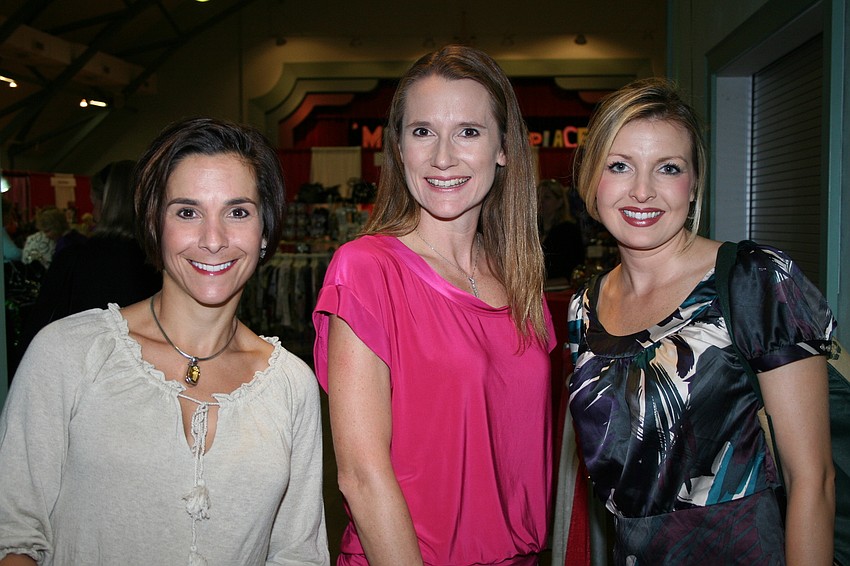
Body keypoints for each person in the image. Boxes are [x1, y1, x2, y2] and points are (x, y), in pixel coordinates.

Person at [0, 117, 330, 565]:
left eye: (238, 212)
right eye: (187, 212)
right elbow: (12, 533)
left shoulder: (292, 386)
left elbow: (298, 553)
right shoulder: (70, 353)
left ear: (266, 230)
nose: (213, 240)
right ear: (155, 225)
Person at [566, 77, 835, 564]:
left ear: (693, 185)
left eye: (668, 168)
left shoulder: (753, 279)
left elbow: (812, 479)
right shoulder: (584, 308)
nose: (642, 191)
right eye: (620, 166)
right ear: (591, 180)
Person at [313, 45, 557, 565]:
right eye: (422, 132)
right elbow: (361, 475)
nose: (443, 156)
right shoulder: (367, 270)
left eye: (468, 131)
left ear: (503, 148)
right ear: (399, 149)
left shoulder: (522, 279)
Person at [18, 160, 162, 359]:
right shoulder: (162, 263)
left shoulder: (75, 259)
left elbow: (37, 332)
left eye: (93, 203)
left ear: (104, 203)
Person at [537, 178, 586, 282]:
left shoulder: (568, 231)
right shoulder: (534, 230)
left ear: (559, 202)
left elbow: (572, 267)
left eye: (547, 197)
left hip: (559, 288)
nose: (541, 201)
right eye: (538, 197)